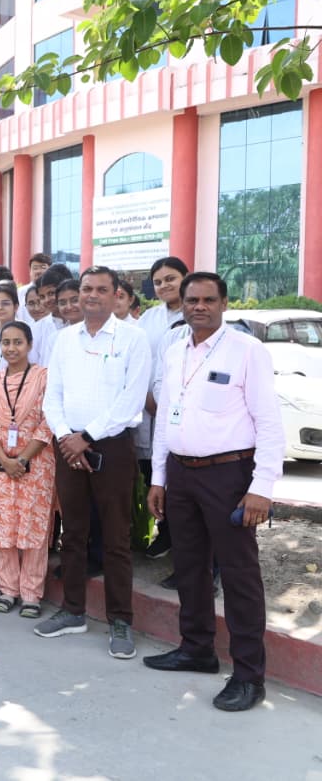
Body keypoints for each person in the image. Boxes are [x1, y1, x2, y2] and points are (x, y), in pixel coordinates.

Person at [144, 272, 283, 712]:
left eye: (208, 300)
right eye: (192, 300)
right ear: (182, 304)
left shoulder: (247, 350)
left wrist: (261, 488)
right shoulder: (174, 351)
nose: (199, 307)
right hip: (181, 474)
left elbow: (269, 422)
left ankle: (249, 676)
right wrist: (159, 478)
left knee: (239, 576)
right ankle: (196, 648)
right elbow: (166, 417)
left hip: (230, 475)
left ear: (224, 304)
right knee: (189, 566)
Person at [37, 266, 151, 659]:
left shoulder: (133, 339)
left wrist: (86, 437)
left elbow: (131, 400)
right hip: (67, 445)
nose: (92, 295)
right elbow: (52, 396)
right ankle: (73, 611)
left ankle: (120, 620)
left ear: (117, 294)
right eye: (87, 288)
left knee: (117, 538)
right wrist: (66, 437)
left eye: (102, 289)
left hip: (112, 447)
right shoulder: (65, 339)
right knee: (72, 533)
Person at [0, 321, 54, 618]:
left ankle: (32, 594)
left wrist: (22, 459)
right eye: (6, 342)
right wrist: (4, 459)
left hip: (37, 464)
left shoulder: (44, 378)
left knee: (34, 528)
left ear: (30, 345)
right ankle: (7, 589)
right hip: (0, 465)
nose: (11, 348)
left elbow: (48, 422)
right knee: (1, 527)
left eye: (18, 342)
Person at [138, 256, 190, 563]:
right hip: (150, 408)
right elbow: (140, 360)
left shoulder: (195, 313)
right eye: (158, 282)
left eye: (170, 279)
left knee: (181, 480)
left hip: (185, 414)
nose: (164, 286)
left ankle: (186, 543)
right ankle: (165, 532)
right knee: (154, 475)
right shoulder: (149, 318)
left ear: (185, 278)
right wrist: (147, 398)